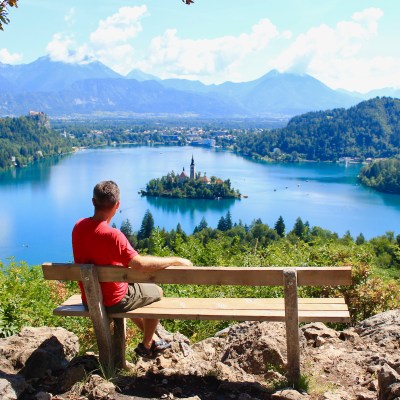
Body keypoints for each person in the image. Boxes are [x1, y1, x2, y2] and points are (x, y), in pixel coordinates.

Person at [72, 180, 192, 359]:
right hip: (112, 300)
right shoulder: (113, 235)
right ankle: (145, 345)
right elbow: (140, 265)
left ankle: (151, 340)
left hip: (89, 298)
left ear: (93, 202)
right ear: (117, 205)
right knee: (156, 293)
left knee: (135, 289)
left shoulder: (78, 227)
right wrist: (175, 260)